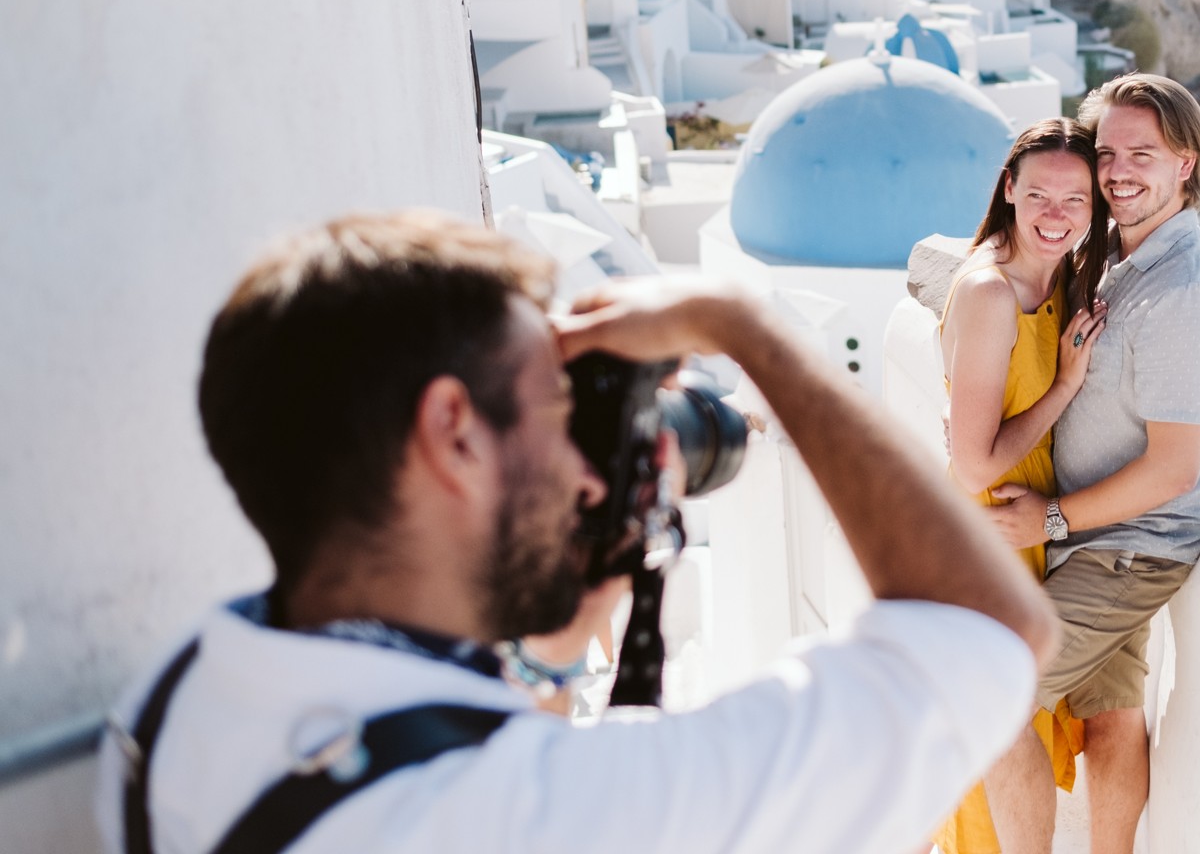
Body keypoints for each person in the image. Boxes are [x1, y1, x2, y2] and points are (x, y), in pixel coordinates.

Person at [95, 211, 1058, 854]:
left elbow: (448, 727)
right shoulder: (541, 817)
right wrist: (746, 330)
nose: (581, 466)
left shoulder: (174, 694)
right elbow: (990, 633)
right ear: (453, 431)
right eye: (557, 406)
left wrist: (555, 639)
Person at [982, 74, 1200, 854]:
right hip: (1108, 542)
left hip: (1132, 549)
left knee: (990, 698)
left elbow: (1171, 469)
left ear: (1187, 163)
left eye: (1144, 154)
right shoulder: (1122, 260)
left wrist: (1049, 517)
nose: (1120, 170)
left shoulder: (1186, 290)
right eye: (1108, 153)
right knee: (1111, 710)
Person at [933, 119, 1109, 854]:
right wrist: (1066, 387)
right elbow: (974, 466)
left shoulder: (1057, 277)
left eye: (1075, 199)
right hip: (988, 536)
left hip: (1027, 531)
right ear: (1009, 189)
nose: (1055, 214)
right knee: (992, 730)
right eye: (1038, 194)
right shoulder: (990, 293)